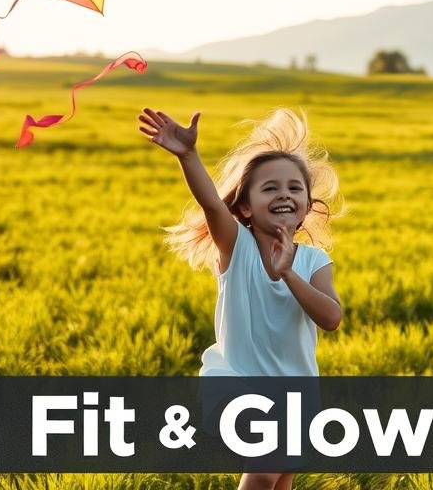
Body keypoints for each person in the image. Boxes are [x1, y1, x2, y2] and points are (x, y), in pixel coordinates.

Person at [142, 107, 343, 490]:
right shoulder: (238, 246)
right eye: (270, 188)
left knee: (281, 477)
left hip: (296, 391)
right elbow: (212, 204)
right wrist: (188, 156)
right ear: (246, 207)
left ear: (305, 204)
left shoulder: (314, 261)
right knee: (266, 467)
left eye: (294, 188)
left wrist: (288, 272)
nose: (284, 194)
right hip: (237, 383)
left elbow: (331, 317)